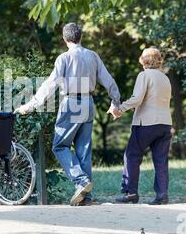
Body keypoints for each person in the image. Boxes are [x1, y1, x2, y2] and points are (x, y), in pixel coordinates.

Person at [19, 23, 121, 206]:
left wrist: (31, 105)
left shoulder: (64, 58)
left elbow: (51, 84)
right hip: (88, 102)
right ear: (80, 37)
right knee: (84, 150)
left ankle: (81, 181)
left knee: (59, 146)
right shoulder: (93, 56)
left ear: (65, 40)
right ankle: (86, 198)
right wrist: (115, 102)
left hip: (72, 102)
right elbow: (109, 80)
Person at [110, 47, 172, 205]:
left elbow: (137, 99)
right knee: (161, 160)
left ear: (143, 60)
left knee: (132, 155)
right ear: (158, 60)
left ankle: (131, 193)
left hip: (146, 123)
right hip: (165, 124)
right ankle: (162, 195)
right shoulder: (165, 78)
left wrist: (120, 109)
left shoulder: (144, 75)